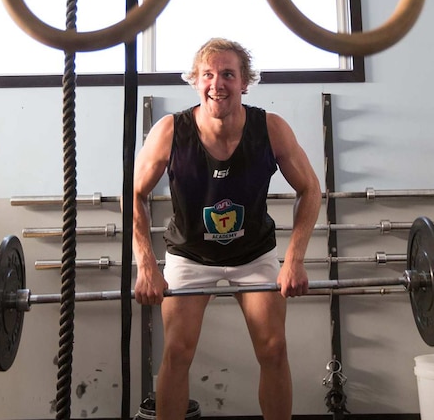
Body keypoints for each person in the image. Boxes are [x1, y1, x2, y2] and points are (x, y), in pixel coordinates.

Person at [132, 38, 322, 420]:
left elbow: (311, 189)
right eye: (208, 75)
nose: (217, 83)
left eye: (228, 75)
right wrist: (147, 265)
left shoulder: (270, 128)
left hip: (253, 254)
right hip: (190, 254)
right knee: (178, 351)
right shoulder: (170, 131)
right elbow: (132, 194)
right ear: (196, 81)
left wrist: (294, 261)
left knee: (273, 349)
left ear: (245, 82)